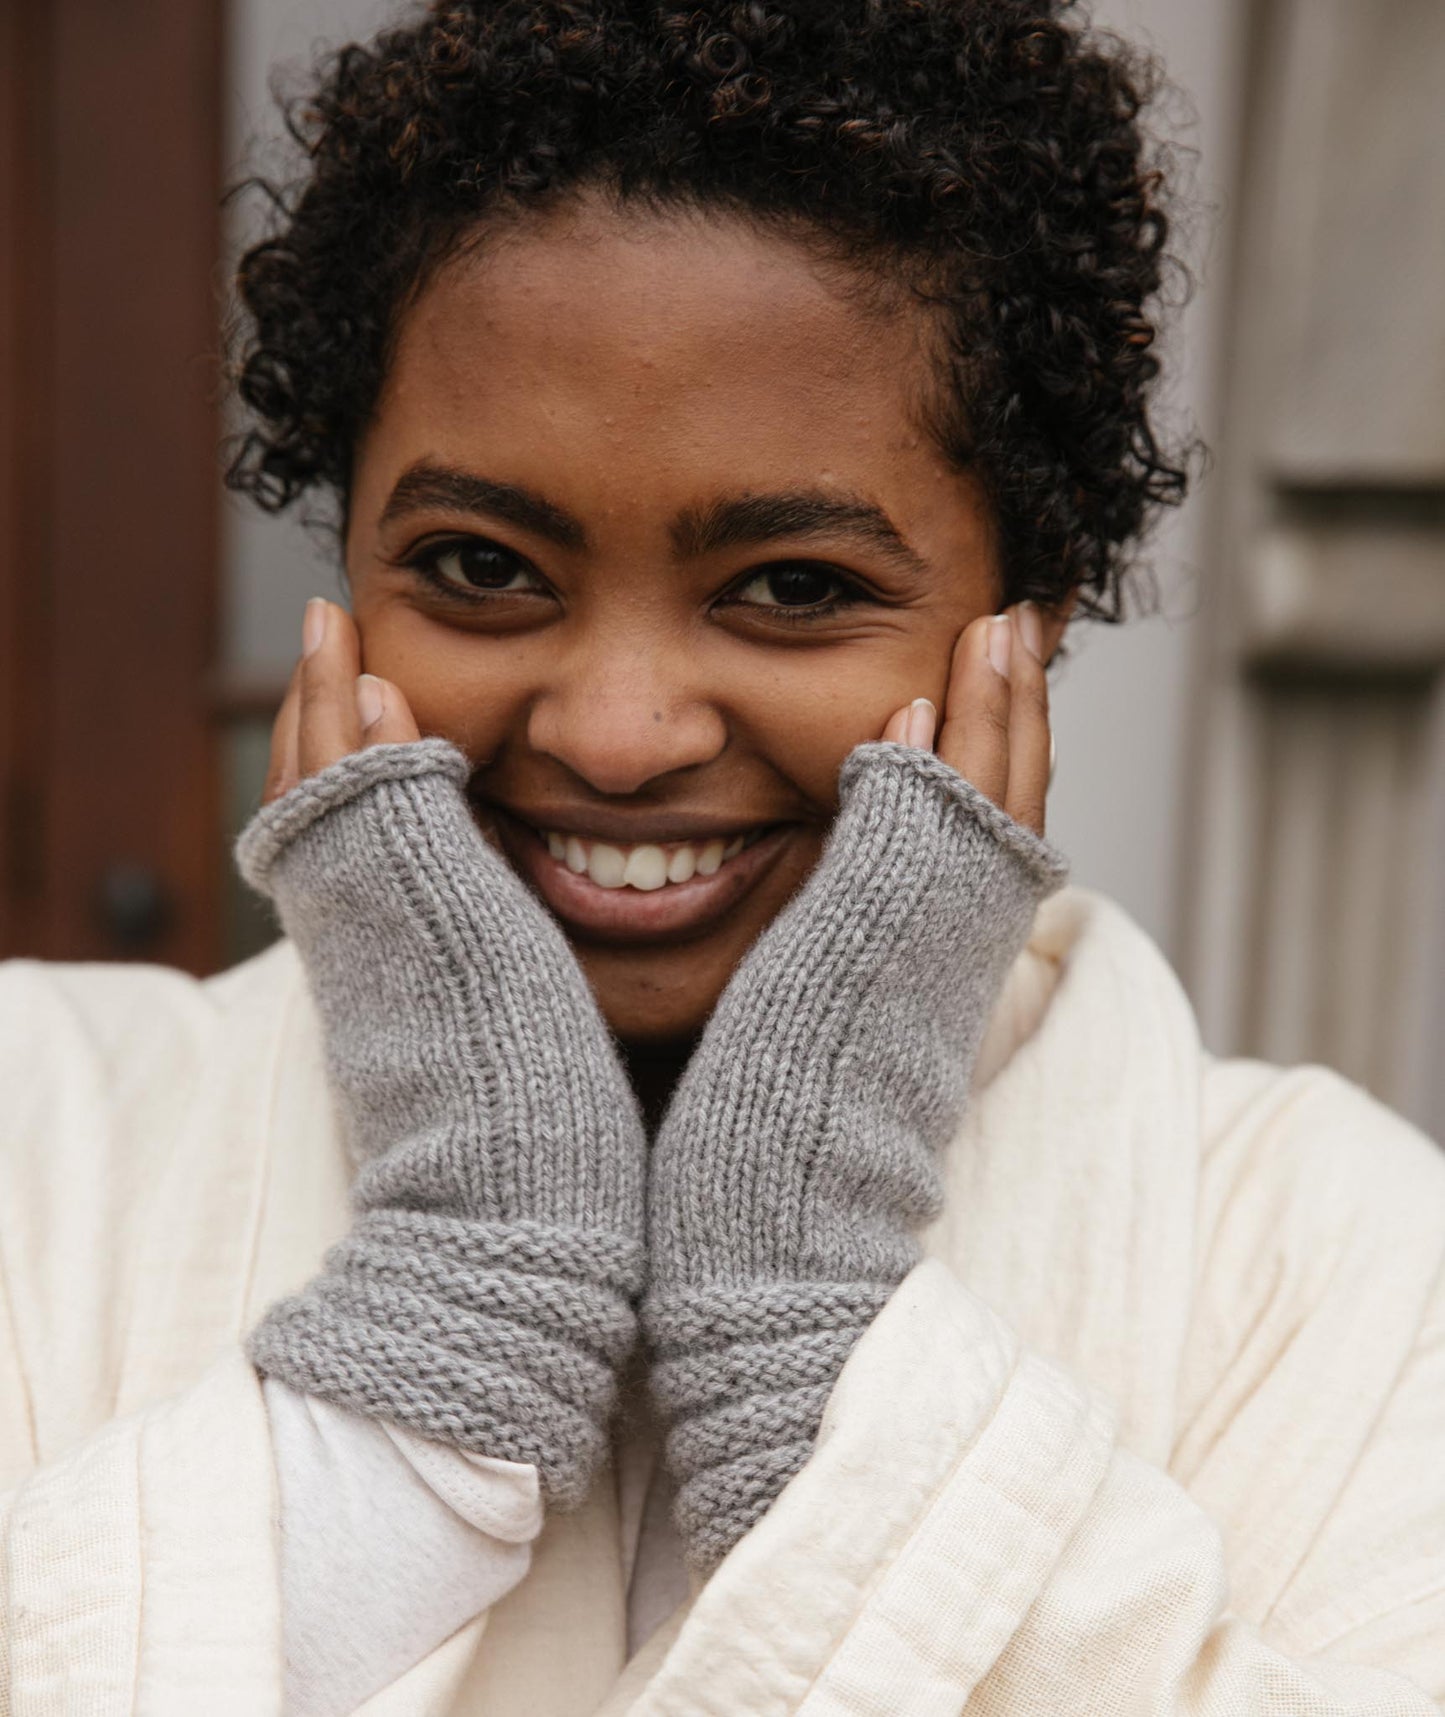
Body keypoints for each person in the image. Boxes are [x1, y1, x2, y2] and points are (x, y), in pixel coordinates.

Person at [2, 2, 1442, 1712]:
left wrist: (815, 1346)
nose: (616, 731)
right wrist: (435, 1349)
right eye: (478, 564)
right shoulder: (39, 1126)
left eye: (794, 588)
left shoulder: (1330, 1250)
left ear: (1025, 630)